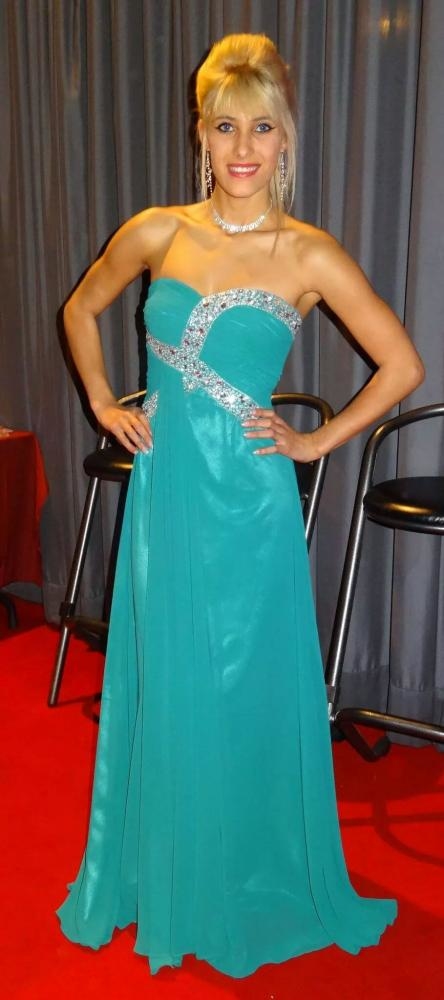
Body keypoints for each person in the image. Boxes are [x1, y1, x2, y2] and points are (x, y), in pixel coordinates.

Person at [57, 33, 424, 978]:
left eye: (262, 127)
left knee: (241, 685)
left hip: (250, 508)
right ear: (202, 133)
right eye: (226, 127)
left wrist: (316, 441)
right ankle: (167, 860)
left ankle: (244, 867)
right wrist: (102, 401)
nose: (244, 148)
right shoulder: (157, 231)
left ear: (285, 137)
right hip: (166, 494)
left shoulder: (308, 253)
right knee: (167, 676)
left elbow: (402, 365)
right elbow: (79, 309)